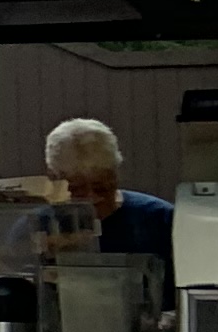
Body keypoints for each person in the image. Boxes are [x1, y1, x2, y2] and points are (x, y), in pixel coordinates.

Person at [44, 114, 175, 268]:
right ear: (54, 181)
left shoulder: (161, 219)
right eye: (77, 188)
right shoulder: (38, 226)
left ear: (116, 175)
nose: (91, 197)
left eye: (101, 187)